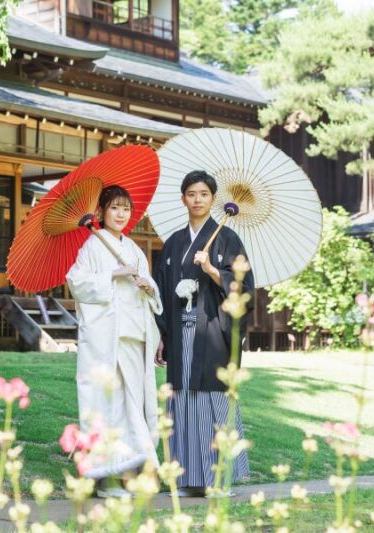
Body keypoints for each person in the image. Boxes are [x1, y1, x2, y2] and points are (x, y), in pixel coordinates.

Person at [152, 170, 254, 495]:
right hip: (180, 333)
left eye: (204, 194)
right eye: (191, 194)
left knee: (211, 398)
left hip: (211, 330)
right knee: (182, 400)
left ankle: (218, 478)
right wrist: (161, 334)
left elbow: (244, 287)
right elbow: (162, 290)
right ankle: (188, 478)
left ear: (213, 199)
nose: (197, 199)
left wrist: (212, 271)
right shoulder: (173, 245)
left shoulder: (228, 239)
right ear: (183, 198)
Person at [66, 185, 162, 496]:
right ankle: (105, 477)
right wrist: (111, 275)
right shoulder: (92, 247)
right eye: (114, 208)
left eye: (125, 209)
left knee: (134, 403)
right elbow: (76, 282)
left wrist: (149, 287)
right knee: (109, 405)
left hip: (133, 336)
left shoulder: (133, 249)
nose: (121, 214)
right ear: (102, 213)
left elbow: (149, 294)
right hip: (105, 339)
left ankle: (129, 473)